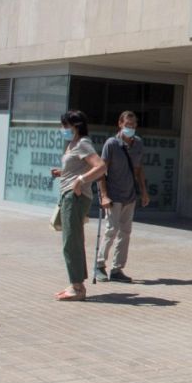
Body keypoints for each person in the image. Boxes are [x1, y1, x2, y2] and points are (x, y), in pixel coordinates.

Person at [49, 110, 107, 301]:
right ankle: (75, 282)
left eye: (66, 125)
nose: (63, 129)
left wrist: (80, 180)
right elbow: (77, 167)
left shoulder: (83, 143)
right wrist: (62, 173)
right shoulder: (72, 144)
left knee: (71, 242)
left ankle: (78, 287)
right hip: (68, 195)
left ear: (76, 126)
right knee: (70, 240)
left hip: (75, 197)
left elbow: (100, 166)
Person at [95, 110, 150, 283]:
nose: (130, 128)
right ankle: (99, 264)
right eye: (127, 125)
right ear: (120, 124)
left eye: (133, 125)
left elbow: (139, 169)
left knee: (125, 232)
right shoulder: (111, 144)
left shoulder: (138, 144)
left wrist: (144, 191)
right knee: (111, 230)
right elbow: (101, 171)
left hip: (130, 195)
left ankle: (117, 269)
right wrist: (104, 195)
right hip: (113, 195)